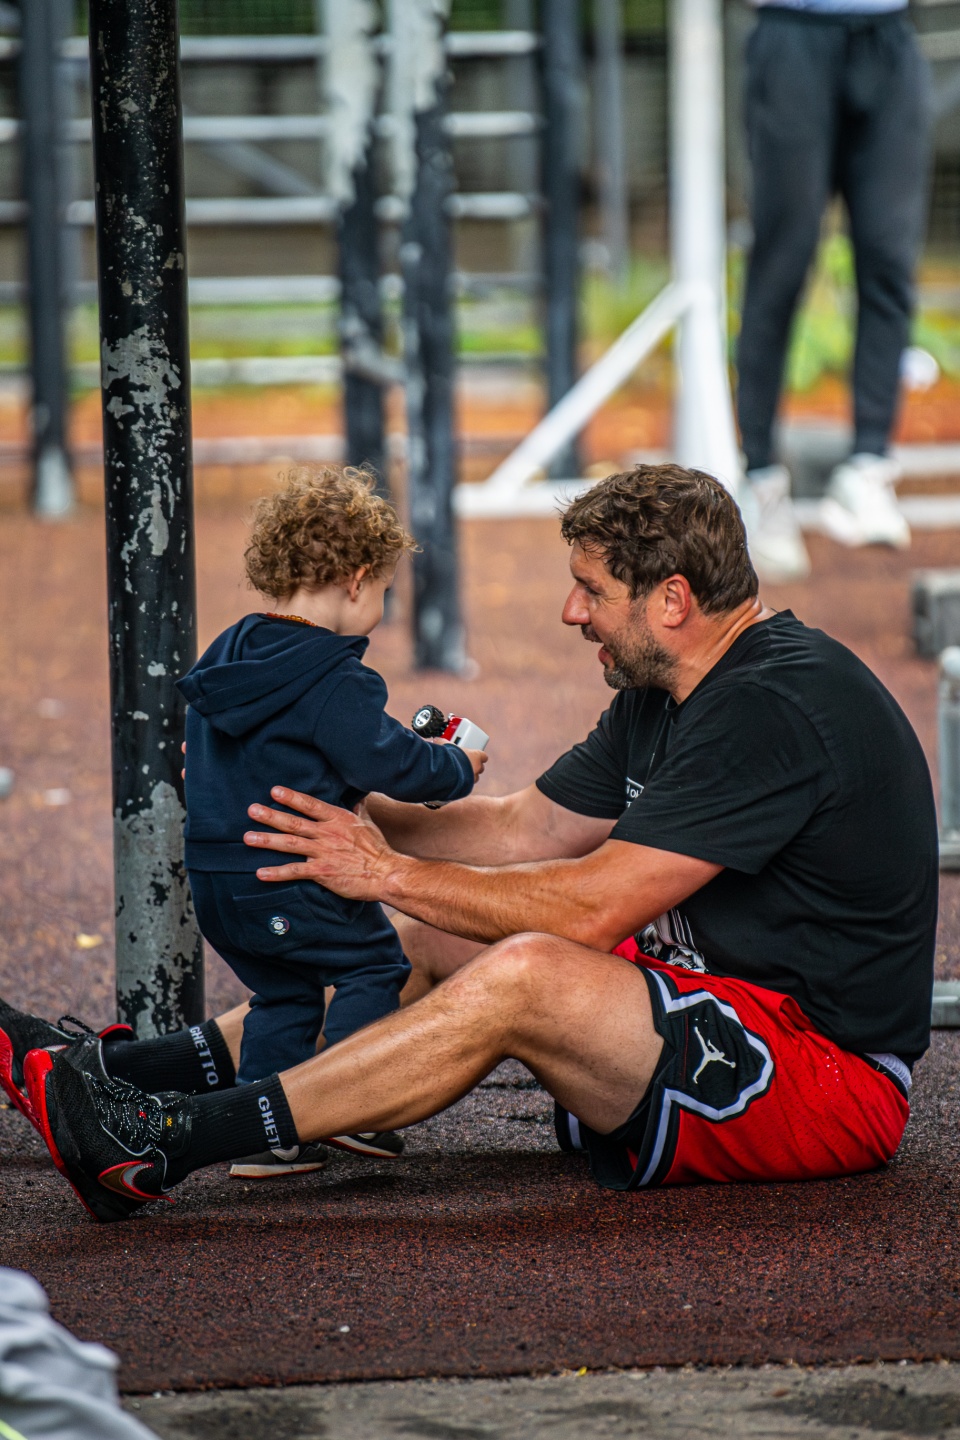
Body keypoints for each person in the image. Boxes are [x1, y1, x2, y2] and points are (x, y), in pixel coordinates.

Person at [13, 465, 937, 1225]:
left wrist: (386, 871)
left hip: (823, 1075)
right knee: (428, 934)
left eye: (592, 591)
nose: (571, 612)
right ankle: (111, 1077)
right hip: (707, 1003)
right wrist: (315, 797)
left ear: (673, 600)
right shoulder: (667, 690)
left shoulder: (771, 707)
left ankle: (164, 1139)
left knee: (525, 969)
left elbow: (591, 905)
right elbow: (522, 827)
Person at [176, 466, 486, 1174]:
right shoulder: (335, 678)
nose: (380, 605)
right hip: (286, 877)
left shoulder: (228, 655)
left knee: (284, 991)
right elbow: (391, 763)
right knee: (375, 963)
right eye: (383, 592)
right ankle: (356, 1104)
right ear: (356, 580)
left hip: (217, 881)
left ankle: (265, 1135)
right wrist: (457, 768)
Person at [738, 0, 933, 580]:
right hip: (793, 35)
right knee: (782, 264)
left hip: (889, 35)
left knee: (889, 260)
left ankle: (868, 465)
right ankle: (761, 478)